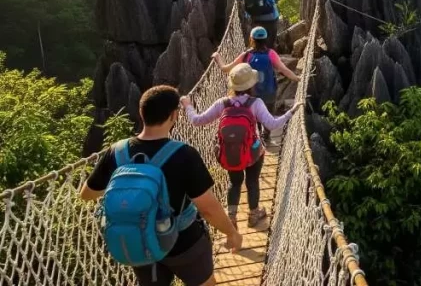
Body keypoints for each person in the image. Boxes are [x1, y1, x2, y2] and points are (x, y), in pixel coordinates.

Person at [80, 85, 243, 286]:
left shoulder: (116, 152)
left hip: (139, 244)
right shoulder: (184, 154)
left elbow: (87, 194)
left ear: (141, 113)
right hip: (184, 242)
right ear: (174, 115)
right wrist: (232, 233)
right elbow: (208, 209)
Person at [181, 64, 301, 229]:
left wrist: (188, 105)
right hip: (253, 153)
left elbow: (197, 120)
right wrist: (291, 111)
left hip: (230, 153)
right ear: (251, 84)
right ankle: (253, 214)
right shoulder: (256, 103)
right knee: (252, 181)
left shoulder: (222, 103)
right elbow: (272, 124)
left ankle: (231, 217)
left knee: (235, 183)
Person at [215, 26, 300, 105]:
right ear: (265, 39)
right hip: (269, 94)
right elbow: (284, 70)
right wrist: (297, 78)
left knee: (253, 118)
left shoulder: (246, 55)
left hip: (251, 95)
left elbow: (225, 69)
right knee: (268, 118)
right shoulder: (271, 54)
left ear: (251, 39)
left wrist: (217, 57)